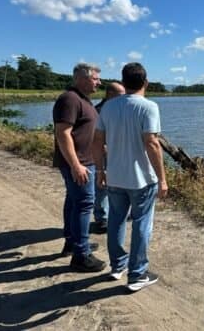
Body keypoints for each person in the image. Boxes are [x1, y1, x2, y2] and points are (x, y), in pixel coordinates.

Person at [93, 62, 168, 292]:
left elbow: (97, 141)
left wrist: (101, 170)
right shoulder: (149, 107)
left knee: (115, 220)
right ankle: (137, 274)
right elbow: (152, 143)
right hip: (141, 180)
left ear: (123, 83)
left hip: (115, 176)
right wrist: (162, 178)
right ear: (145, 83)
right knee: (142, 223)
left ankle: (117, 267)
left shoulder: (108, 108)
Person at [53, 63, 106, 272]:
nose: (99, 82)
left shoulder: (83, 100)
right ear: (82, 79)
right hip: (80, 164)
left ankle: (73, 243)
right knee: (84, 204)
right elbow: (63, 133)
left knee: (74, 202)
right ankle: (81, 255)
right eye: (96, 79)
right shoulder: (69, 99)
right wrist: (76, 165)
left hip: (85, 161)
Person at [92, 81, 126, 234]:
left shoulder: (118, 109)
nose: (124, 98)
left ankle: (115, 213)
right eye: (121, 95)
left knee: (119, 185)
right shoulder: (98, 110)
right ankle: (101, 218)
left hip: (118, 153)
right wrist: (103, 146)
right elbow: (94, 135)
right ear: (110, 94)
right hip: (103, 153)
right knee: (101, 186)